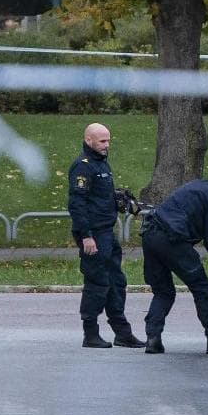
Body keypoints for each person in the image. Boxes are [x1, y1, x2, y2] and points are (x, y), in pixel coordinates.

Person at [139, 179, 208, 355]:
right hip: (174, 239)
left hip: (150, 234)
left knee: (163, 292)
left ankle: (153, 339)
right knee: (203, 289)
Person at [67, 123, 144, 349]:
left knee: (116, 282)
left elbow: (98, 197)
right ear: (88, 140)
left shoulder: (102, 163)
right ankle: (90, 334)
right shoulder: (82, 167)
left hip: (106, 232)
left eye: (108, 140)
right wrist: (86, 236)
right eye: (102, 141)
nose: (107, 145)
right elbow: (77, 204)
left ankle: (122, 333)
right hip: (93, 234)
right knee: (97, 282)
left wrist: (117, 200)